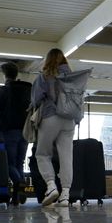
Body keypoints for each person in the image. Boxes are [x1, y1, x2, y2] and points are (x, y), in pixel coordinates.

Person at [0, 61, 32, 205]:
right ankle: (17, 197)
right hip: (25, 132)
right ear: (16, 75)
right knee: (19, 163)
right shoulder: (27, 91)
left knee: (9, 163)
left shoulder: (0, 92)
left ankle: (20, 183)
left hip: (7, 132)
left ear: (4, 75)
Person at [31, 48, 76, 207]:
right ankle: (65, 194)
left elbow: (36, 99)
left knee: (42, 153)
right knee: (66, 157)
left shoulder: (44, 77)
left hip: (51, 116)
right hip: (69, 120)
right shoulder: (72, 78)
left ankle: (51, 186)